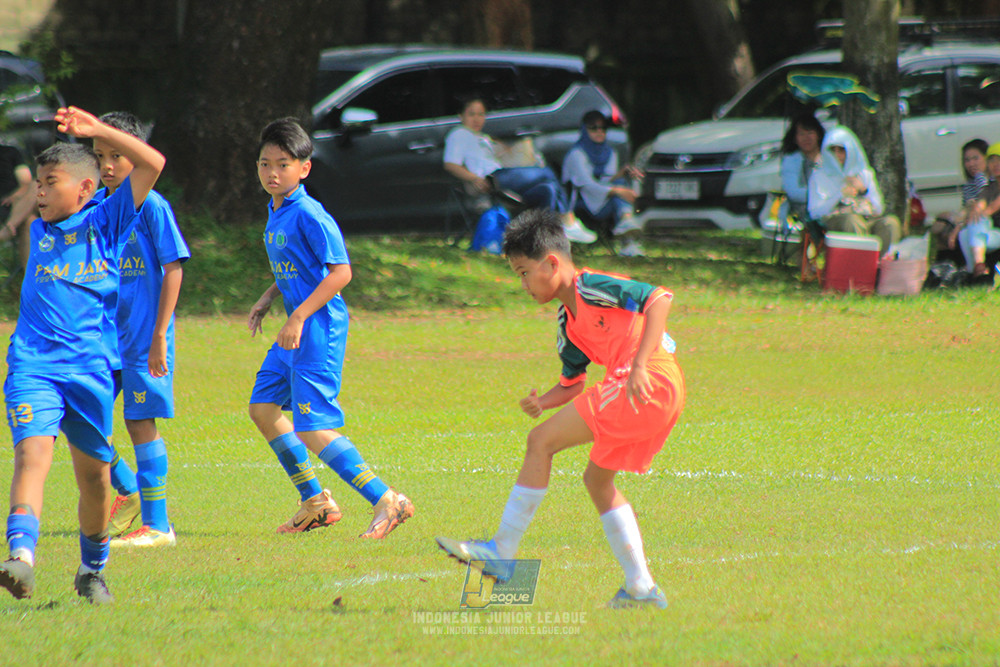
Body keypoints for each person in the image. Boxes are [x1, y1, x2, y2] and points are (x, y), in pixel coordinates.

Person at [436, 208, 685, 609]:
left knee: (541, 442)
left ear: (551, 263)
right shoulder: (567, 321)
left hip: (647, 380)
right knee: (597, 481)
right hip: (643, 390)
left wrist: (638, 364)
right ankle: (641, 587)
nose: (522, 283)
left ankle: (501, 551)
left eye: (522, 272)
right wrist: (543, 401)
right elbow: (573, 382)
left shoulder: (591, 288)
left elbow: (659, 298)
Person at [0, 106, 165, 604]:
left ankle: (92, 571)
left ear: (86, 190)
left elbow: (152, 164)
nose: (42, 193)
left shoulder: (107, 224)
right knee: (32, 454)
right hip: (33, 367)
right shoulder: (42, 229)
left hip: (91, 373)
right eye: (39, 184)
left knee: (94, 481)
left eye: (51, 183)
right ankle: (20, 557)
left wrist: (98, 132)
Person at [247, 117, 414, 538]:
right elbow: (300, 268)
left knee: (312, 425)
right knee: (263, 408)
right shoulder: (278, 208)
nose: (272, 172)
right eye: (265, 163)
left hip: (316, 327)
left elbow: (340, 273)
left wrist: (299, 315)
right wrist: (270, 298)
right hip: (294, 326)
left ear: (304, 168)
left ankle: (386, 499)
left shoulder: (309, 213)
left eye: (283, 164)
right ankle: (315, 502)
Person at [92, 112, 190, 548]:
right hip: (100, 337)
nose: (108, 165)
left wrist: (158, 336)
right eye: (99, 157)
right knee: (80, 417)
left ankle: (159, 525)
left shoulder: (152, 206)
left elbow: (173, 269)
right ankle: (128, 488)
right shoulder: (95, 205)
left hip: (142, 339)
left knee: (139, 424)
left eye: (117, 155)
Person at [443, 97, 597, 244]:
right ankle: (568, 220)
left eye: (481, 114)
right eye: (471, 114)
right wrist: (474, 178)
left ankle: (545, 238)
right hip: (494, 180)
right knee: (545, 172)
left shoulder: (482, 138)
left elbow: (502, 154)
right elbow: (450, 164)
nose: (476, 119)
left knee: (548, 188)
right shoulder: (458, 134)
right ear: (461, 115)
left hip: (506, 176)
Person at [561, 110, 645, 256]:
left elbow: (607, 179)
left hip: (602, 198)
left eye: (603, 128)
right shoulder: (576, 154)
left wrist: (622, 174)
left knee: (622, 181)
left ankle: (627, 229)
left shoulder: (610, 152)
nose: (599, 132)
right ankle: (628, 234)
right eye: (593, 128)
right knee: (619, 193)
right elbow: (586, 185)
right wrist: (616, 190)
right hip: (583, 202)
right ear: (584, 130)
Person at [807, 125, 900, 254]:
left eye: (842, 150)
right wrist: (840, 195)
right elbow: (815, 212)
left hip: (867, 219)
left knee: (890, 223)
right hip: (836, 223)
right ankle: (859, 266)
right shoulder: (819, 175)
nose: (837, 155)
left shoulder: (864, 173)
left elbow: (879, 209)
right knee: (851, 221)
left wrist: (863, 190)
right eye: (833, 150)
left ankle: (879, 265)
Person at [930, 139, 989, 263]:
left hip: (983, 218)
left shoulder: (983, 177)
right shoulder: (969, 184)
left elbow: (980, 202)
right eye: (967, 160)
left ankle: (946, 262)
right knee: (940, 224)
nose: (971, 164)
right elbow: (966, 206)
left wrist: (957, 224)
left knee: (944, 224)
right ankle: (944, 263)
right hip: (967, 217)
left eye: (975, 158)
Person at [779, 112, 825, 221]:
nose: (806, 138)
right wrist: (824, 196)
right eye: (801, 134)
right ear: (795, 138)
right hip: (801, 212)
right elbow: (793, 192)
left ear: (818, 134)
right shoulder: (790, 160)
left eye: (810, 133)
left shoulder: (829, 158)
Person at [0, 141, 38, 271]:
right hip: (3, 209)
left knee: (36, 185)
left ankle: (8, 228)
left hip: (18, 202)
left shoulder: (10, 152)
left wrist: (15, 195)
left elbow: (25, 182)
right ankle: (31, 281)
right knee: (30, 221)